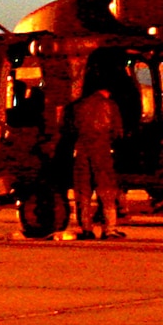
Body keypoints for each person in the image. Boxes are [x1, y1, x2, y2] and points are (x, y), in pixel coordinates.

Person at [67, 84, 126, 241]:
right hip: (102, 151)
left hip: (82, 151)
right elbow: (117, 131)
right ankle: (109, 229)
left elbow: (70, 129)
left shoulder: (79, 106)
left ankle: (86, 229)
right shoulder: (110, 106)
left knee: (83, 192)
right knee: (107, 191)